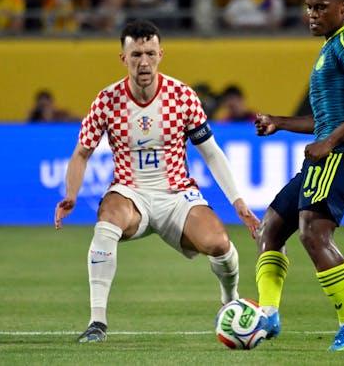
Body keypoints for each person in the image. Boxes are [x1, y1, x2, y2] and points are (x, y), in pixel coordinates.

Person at [54, 19, 259, 343]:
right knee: (107, 219)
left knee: (220, 245)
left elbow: (211, 153)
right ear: (123, 58)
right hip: (130, 193)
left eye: (150, 53)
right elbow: (81, 153)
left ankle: (229, 302)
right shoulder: (107, 100)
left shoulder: (182, 96)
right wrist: (71, 195)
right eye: (136, 55)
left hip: (177, 195)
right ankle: (97, 322)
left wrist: (239, 203)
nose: (144, 62)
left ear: (161, 54)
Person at [253, 0, 344, 352]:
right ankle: (268, 314)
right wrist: (280, 122)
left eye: (321, 6)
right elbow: (328, 118)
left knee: (313, 232)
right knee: (270, 228)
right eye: (309, 6)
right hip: (332, 148)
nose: (312, 14)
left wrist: (329, 142)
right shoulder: (330, 47)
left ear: (342, 7)